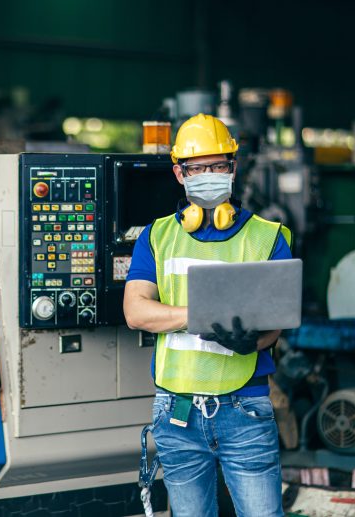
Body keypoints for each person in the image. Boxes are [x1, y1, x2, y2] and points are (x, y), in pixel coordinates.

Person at [123, 114, 291, 517]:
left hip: (245, 408)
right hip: (176, 411)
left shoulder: (269, 236)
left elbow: (275, 324)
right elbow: (135, 310)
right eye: (198, 168)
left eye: (218, 166)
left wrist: (253, 339)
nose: (209, 175)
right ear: (180, 174)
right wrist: (205, 312)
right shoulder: (157, 236)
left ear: (233, 169)